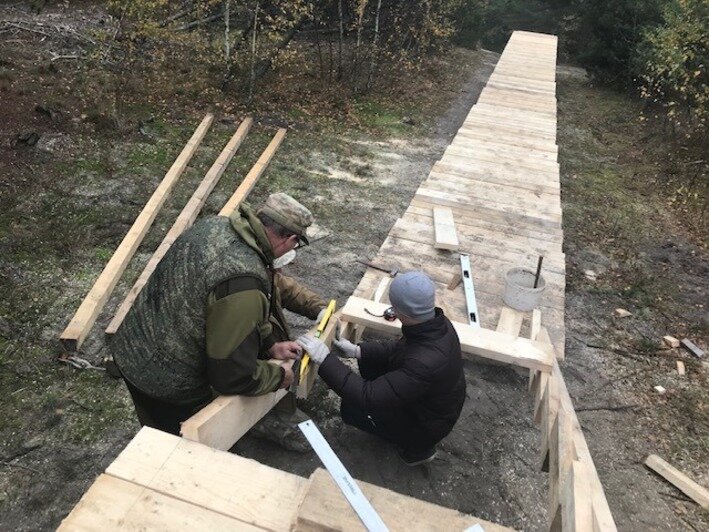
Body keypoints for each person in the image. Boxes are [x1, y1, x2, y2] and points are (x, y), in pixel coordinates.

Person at [110, 193, 328, 439]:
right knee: (181, 444)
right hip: (168, 382)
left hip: (133, 347)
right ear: (289, 239)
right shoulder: (244, 281)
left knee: (153, 428)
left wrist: (270, 345)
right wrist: (279, 376)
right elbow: (232, 376)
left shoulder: (215, 226)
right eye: (296, 244)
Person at [297, 271, 466, 466]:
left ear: (400, 310)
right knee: (371, 362)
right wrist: (359, 351)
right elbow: (402, 348)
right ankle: (405, 433)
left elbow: (368, 396)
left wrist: (325, 360)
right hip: (431, 405)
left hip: (425, 427)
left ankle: (417, 450)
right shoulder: (436, 324)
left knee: (353, 408)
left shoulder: (424, 363)